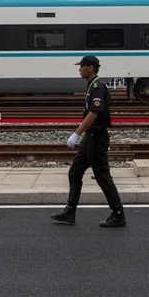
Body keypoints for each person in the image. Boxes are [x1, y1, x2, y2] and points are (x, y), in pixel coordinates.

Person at [51, 55, 127, 227]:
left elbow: (94, 113)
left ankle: (118, 213)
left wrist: (76, 134)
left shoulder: (98, 87)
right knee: (75, 172)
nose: (79, 69)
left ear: (90, 68)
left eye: (82, 66)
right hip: (90, 138)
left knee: (103, 177)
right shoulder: (92, 86)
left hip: (96, 138)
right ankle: (70, 211)